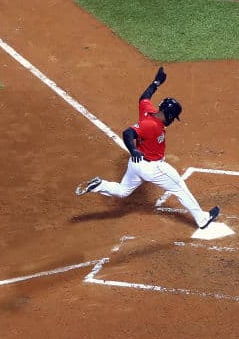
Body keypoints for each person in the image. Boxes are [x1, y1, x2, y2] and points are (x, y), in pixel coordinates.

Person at [76, 66, 220, 230]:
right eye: (174, 118)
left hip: (136, 165)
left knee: (123, 191)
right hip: (152, 167)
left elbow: (144, 97)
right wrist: (133, 149)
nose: (173, 121)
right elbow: (128, 133)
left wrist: (156, 82)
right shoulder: (150, 125)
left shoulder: (148, 111)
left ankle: (99, 185)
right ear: (169, 114)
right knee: (179, 187)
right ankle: (202, 219)